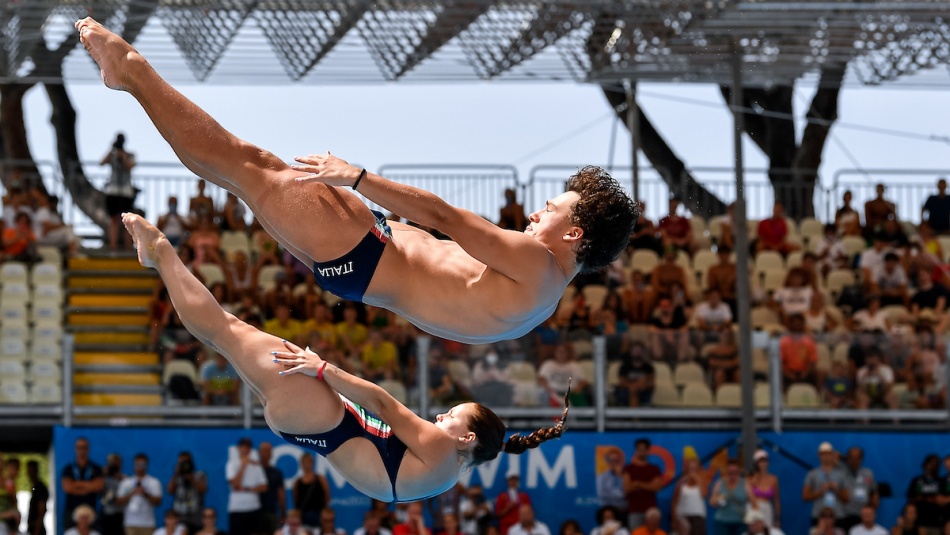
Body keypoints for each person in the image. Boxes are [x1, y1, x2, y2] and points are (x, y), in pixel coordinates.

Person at [76, 17, 637, 345]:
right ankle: (130, 78)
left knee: (245, 163)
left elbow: (442, 218)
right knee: (243, 173)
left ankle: (131, 72)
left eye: (552, 208)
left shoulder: (538, 265)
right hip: (359, 268)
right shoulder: (540, 305)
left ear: (574, 236)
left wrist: (359, 178)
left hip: (367, 250)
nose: (538, 212)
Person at [119, 212, 569, 504]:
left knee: (227, 329)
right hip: (312, 422)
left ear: (467, 439)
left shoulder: (440, 448)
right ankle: (159, 257)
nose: (440, 413)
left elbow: (385, 405)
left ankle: (160, 251)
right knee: (227, 331)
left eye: (452, 414)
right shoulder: (445, 474)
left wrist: (323, 369)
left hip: (322, 414)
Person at [100, 132, 136, 251]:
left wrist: (123, 156)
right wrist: (111, 151)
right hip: (113, 191)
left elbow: (130, 166)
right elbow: (101, 163)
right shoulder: (113, 155)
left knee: (127, 220)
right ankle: (113, 246)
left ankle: (128, 246)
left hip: (126, 191)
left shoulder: (129, 154)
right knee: (114, 220)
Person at [227, 437, 268, 535]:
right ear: (238, 448)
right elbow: (235, 485)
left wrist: (247, 489)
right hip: (236, 508)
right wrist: (243, 465)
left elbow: (264, 487)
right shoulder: (231, 464)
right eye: (242, 447)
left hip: (254, 507)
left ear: (250, 449)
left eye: (247, 447)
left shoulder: (257, 466)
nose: (245, 449)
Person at [61, 437, 104, 531]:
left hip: (91, 511)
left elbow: (98, 486)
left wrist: (77, 484)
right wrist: (89, 485)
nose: (82, 450)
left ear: (88, 449)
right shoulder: (68, 469)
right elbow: (68, 488)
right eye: (79, 447)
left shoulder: (96, 468)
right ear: (75, 448)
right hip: (71, 510)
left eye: (84, 447)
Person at [803, 443, 850, 528]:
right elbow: (805, 496)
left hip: (838, 516)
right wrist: (821, 491)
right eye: (823, 454)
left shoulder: (841, 474)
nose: (825, 457)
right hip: (818, 516)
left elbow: (847, 498)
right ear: (819, 455)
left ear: (832, 455)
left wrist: (836, 490)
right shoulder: (812, 474)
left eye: (828, 454)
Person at [116, 453, 163, 535]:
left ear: (146, 465)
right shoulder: (126, 482)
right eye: (137, 464)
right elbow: (119, 501)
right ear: (134, 464)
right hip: (130, 523)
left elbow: (158, 502)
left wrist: (145, 493)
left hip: (147, 524)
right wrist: (131, 493)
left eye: (142, 464)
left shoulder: (154, 482)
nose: (139, 467)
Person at [624, 438, 663, 531]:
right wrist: (648, 485)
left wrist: (638, 484)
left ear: (648, 451)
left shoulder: (654, 469)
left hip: (651, 511)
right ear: (636, 451)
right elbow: (627, 488)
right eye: (639, 449)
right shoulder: (629, 468)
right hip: (634, 510)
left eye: (644, 449)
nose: (641, 452)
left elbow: (657, 487)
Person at [168, 451, 209, 534]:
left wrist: (191, 478)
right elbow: (170, 490)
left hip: (195, 518)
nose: (183, 465)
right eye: (181, 462)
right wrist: (175, 474)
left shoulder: (200, 475)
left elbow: (203, 489)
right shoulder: (177, 477)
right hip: (179, 518)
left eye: (185, 462)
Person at [710, 459, 753, 535]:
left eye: (735, 472)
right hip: (722, 522)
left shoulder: (745, 483)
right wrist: (718, 499)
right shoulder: (720, 483)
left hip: (740, 522)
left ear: (739, 471)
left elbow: (753, 501)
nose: (732, 474)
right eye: (730, 472)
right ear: (727, 471)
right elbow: (712, 501)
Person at [841, 448, 878, 533]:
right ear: (848, 459)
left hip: (862, 516)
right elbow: (835, 456)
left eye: (856, 458)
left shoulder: (867, 473)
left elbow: (874, 492)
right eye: (851, 458)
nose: (854, 461)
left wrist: (875, 501)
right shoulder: (841, 472)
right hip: (845, 515)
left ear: (861, 459)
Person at [671, 452, 707, 535]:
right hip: (683, 517)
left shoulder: (702, 481)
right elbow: (674, 501)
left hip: (698, 517)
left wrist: (697, 478)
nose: (693, 471)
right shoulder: (681, 483)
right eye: (691, 469)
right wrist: (674, 519)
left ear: (699, 469)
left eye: (695, 469)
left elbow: (704, 494)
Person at [907, 454, 942, 535]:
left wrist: (923, 498)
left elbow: (940, 499)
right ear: (925, 464)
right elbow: (910, 498)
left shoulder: (941, 481)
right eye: (930, 463)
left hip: (937, 522)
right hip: (920, 522)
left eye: (935, 464)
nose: (932, 466)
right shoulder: (917, 480)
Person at [293, 453, 329, 528]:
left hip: (318, 514)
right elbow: (296, 500)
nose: (307, 465)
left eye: (309, 462)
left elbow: (327, 496)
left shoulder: (320, 479)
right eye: (305, 462)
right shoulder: (297, 482)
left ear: (312, 463)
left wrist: (323, 511)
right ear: (301, 464)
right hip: (303, 515)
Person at [259, 442, 287, 534]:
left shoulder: (276, 473)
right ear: (259, 452)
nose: (266, 453)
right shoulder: (252, 471)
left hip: (271, 511)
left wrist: (283, 512)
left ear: (271, 454)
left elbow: (281, 494)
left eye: (268, 451)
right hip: (253, 512)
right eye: (264, 450)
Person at [749, 451, 780, 529]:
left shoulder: (773, 479)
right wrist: (756, 477)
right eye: (760, 462)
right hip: (754, 508)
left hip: (767, 509)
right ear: (756, 464)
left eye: (764, 461)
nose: (762, 464)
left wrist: (777, 519)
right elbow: (747, 495)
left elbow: (776, 500)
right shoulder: (751, 478)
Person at [101, 453, 126, 535]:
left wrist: (120, 478)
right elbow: (104, 499)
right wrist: (101, 474)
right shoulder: (103, 478)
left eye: (116, 462)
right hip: (107, 515)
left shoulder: (125, 479)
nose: (114, 465)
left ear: (120, 464)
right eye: (111, 463)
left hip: (122, 515)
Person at [26, 460, 49, 535]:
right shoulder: (35, 487)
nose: (29, 473)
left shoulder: (40, 488)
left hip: (37, 529)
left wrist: (37, 530)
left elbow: (41, 511)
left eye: (31, 470)